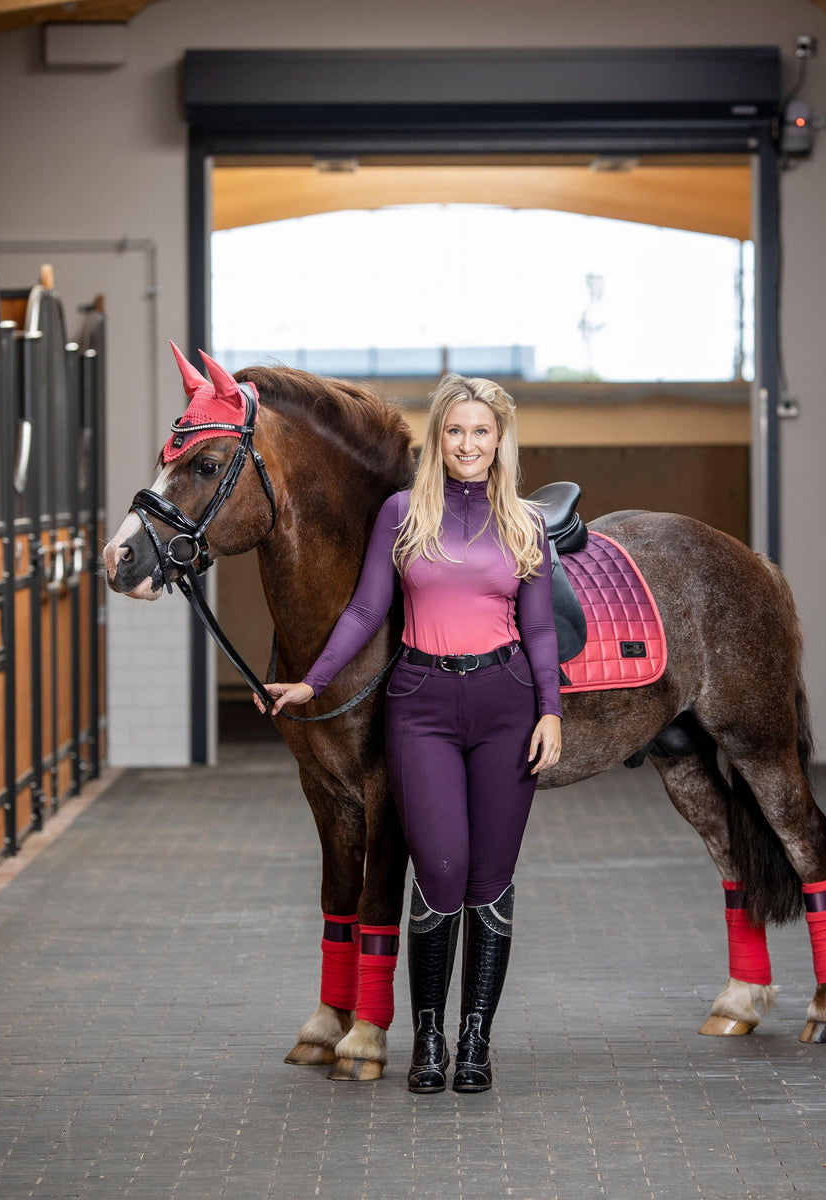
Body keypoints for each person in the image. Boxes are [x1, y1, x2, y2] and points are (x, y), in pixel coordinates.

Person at [263, 372, 562, 1094]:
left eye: (481, 432)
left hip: (507, 703)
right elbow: (366, 612)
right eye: (454, 431)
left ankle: (474, 1044)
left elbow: (542, 627)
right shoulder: (402, 513)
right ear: (438, 438)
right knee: (440, 874)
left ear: (500, 441)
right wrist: (314, 679)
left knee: (490, 884)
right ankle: (426, 1040)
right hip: (421, 702)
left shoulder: (524, 523)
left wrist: (550, 710)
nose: (467, 444)